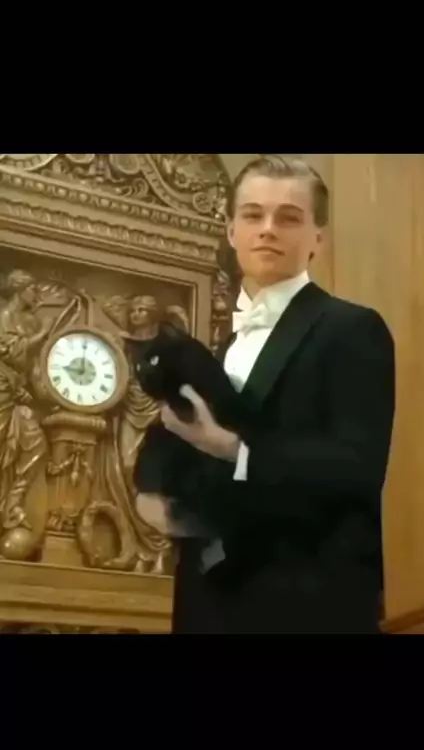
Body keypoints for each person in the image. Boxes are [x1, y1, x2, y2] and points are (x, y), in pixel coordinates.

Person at [140, 155, 395, 634]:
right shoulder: (221, 349)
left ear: (318, 238)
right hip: (208, 605)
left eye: (289, 218)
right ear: (231, 231)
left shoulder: (353, 329)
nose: (268, 229)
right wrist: (154, 493)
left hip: (306, 604)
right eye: (253, 215)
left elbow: (356, 469)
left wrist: (232, 449)